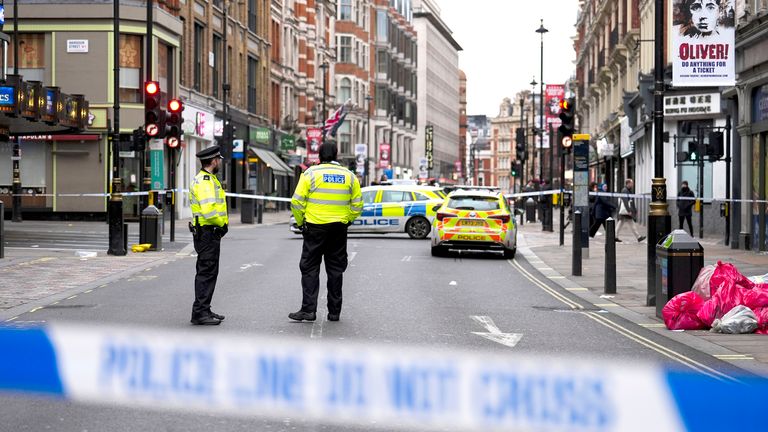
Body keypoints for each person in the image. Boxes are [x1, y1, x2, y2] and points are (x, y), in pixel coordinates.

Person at [289, 143, 363, 322]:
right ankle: (334, 312)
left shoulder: (310, 174)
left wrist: (301, 223)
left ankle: (308, 310)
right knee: (336, 270)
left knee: (309, 268)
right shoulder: (349, 176)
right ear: (337, 155)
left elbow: (296, 202)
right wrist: (348, 220)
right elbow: (358, 204)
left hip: (314, 228)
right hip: (338, 228)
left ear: (319, 156)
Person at [189, 145, 228, 325]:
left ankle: (205, 309)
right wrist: (222, 224)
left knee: (209, 272)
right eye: (218, 159)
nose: (219, 162)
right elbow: (209, 210)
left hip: (208, 232)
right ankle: (199, 314)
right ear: (213, 161)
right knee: (206, 273)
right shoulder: (205, 182)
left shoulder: (209, 179)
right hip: (207, 233)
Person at [616, 178, 646, 243]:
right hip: (625, 211)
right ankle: (638, 237)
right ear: (628, 184)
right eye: (631, 183)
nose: (632, 184)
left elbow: (631, 201)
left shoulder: (628, 190)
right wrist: (628, 210)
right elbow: (625, 201)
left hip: (626, 211)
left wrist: (634, 209)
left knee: (621, 223)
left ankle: (615, 236)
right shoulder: (625, 190)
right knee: (630, 223)